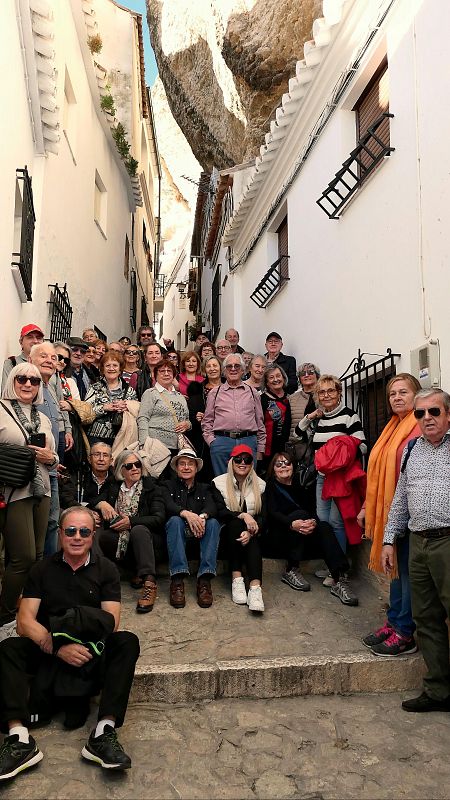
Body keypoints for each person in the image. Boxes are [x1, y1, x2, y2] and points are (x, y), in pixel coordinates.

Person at [0, 506, 139, 780]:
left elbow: (111, 622)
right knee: (8, 649)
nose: (77, 537)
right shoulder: (42, 569)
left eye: (84, 531)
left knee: (126, 642)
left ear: (93, 535)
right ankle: (18, 738)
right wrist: (57, 647)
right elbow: (24, 622)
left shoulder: (107, 569)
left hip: (90, 655)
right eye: (71, 531)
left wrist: (80, 644)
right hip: (51, 653)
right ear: (61, 534)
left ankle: (103, 733)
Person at [382, 388, 450, 713]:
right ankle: (438, 691)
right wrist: (387, 539)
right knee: (426, 618)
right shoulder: (411, 449)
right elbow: (400, 498)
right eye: (420, 413)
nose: (427, 419)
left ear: (447, 414)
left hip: (448, 543)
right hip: (418, 544)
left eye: (434, 412)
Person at [359, 374, 421, 657]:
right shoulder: (393, 427)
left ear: (416, 394)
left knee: (406, 574)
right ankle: (394, 621)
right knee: (396, 571)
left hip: (411, 513)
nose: (397, 397)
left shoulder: (419, 427)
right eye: (392, 393)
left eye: (403, 392)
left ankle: (405, 632)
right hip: (391, 512)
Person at [0, 364, 57, 640]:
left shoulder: (43, 417)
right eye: (22, 378)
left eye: (34, 380)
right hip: (13, 492)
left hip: (42, 489)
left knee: (36, 556)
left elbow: (54, 457)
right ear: (13, 381)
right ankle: (6, 616)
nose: (28, 384)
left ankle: (26, 613)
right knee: (21, 557)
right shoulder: (1, 409)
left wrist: (51, 458)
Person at [265, 453, 356, 603]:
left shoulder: (300, 484)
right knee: (299, 514)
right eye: (279, 464)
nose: (283, 467)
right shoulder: (270, 486)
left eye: (287, 463)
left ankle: (338, 579)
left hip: (304, 534)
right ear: (273, 469)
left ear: (293, 466)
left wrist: (313, 521)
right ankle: (291, 569)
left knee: (324, 526)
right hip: (281, 536)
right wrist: (291, 523)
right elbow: (272, 513)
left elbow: (312, 508)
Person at [296, 374, 366, 556]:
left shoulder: (349, 416)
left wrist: (340, 459)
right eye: (321, 392)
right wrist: (311, 416)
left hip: (340, 478)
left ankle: (339, 569)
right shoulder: (319, 419)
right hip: (321, 477)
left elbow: (362, 446)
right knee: (323, 520)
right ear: (317, 396)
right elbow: (298, 433)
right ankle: (331, 565)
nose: (326, 395)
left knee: (336, 522)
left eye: (331, 391)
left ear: (339, 393)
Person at [93, 450, 165, 613]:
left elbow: (159, 518)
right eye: (129, 466)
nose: (135, 468)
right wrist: (102, 503)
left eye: (138, 464)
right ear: (121, 470)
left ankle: (149, 582)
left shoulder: (151, 487)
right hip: (123, 544)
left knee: (138, 530)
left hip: (150, 543)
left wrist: (130, 522)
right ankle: (102, 579)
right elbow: (93, 498)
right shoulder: (113, 486)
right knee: (104, 536)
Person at [160, 449, 222, 609]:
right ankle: (177, 581)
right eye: (182, 464)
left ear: (196, 468)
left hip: (200, 534)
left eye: (190, 464)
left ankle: (205, 581)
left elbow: (212, 506)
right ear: (176, 467)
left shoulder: (205, 488)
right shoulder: (167, 485)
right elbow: (167, 505)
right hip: (176, 535)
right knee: (174, 520)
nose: (186, 467)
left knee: (214, 523)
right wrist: (186, 514)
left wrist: (201, 518)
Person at [29, 343, 71, 556]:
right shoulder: (29, 388)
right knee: (35, 526)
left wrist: (54, 459)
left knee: (52, 522)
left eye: (53, 358)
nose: (49, 360)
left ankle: (47, 572)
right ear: (30, 360)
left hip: (51, 468)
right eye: (43, 356)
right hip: (33, 468)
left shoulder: (51, 389)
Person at [214, 445, 266, 611]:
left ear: (252, 463)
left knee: (252, 539)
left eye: (247, 459)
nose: (242, 463)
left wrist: (251, 532)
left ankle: (255, 589)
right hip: (226, 537)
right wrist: (244, 515)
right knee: (236, 522)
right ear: (231, 462)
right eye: (238, 459)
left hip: (253, 535)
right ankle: (237, 579)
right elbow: (220, 512)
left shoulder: (261, 485)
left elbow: (264, 516)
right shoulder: (218, 482)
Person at [201, 353, 266, 476]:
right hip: (221, 443)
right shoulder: (215, 393)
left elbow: (260, 422)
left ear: (243, 370)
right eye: (229, 366)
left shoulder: (253, 393)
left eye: (237, 366)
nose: (233, 369)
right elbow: (207, 421)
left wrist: (260, 448)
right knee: (222, 484)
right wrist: (212, 443)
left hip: (248, 442)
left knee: (247, 484)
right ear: (224, 371)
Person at [137, 359, 191, 459]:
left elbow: (187, 419)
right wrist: (144, 444)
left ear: (174, 375)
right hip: (156, 446)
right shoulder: (151, 393)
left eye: (169, 371)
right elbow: (143, 418)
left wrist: (187, 425)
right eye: (162, 371)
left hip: (177, 447)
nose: (166, 374)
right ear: (155, 375)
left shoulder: (180, 396)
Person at [85, 352, 137, 447]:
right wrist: (104, 408)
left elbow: (137, 413)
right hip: (96, 438)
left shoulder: (130, 390)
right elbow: (85, 413)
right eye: (107, 365)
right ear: (102, 369)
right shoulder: (95, 388)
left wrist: (127, 407)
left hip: (122, 438)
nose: (111, 368)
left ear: (120, 369)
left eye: (115, 365)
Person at [260, 365, 291, 473]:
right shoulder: (262, 399)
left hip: (288, 447)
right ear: (267, 382)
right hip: (268, 449)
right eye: (271, 377)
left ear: (283, 377)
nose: (276, 379)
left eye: (278, 376)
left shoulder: (291, 397)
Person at [1, 324, 44, 392]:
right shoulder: (12, 363)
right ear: (21, 342)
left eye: (38, 338)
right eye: (30, 337)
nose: (35, 341)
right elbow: (6, 392)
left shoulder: (49, 365)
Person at [288, 363, 320, 445]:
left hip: (321, 444)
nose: (306, 375)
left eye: (310, 372)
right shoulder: (292, 398)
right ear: (299, 378)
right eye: (302, 373)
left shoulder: (325, 396)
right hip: (298, 445)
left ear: (317, 376)